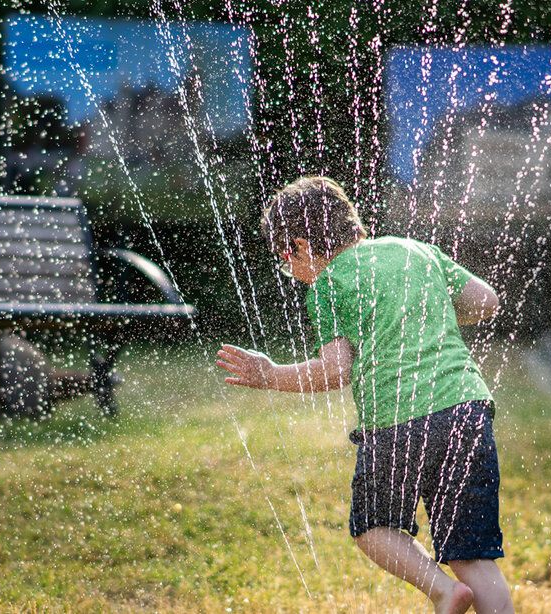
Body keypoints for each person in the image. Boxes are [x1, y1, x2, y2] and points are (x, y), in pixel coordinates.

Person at [216, 177, 514, 613]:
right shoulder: (417, 251)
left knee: (373, 528)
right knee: (472, 553)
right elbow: (486, 302)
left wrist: (270, 374)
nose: (293, 274)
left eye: (286, 262)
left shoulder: (328, 284)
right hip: (466, 409)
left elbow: (335, 371)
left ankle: (444, 591)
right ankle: (466, 586)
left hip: (396, 422)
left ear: (298, 246)